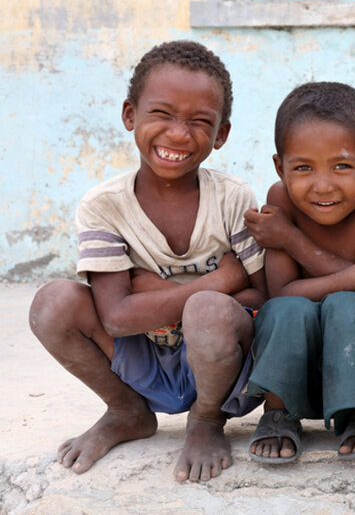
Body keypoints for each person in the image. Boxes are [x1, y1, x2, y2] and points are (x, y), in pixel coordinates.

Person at [27, 40, 267, 482]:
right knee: (52, 303)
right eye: (162, 113)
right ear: (129, 115)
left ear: (221, 135)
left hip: (225, 369)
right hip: (143, 358)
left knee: (210, 311)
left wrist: (155, 291)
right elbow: (116, 317)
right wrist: (219, 278)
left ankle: (206, 419)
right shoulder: (104, 206)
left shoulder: (232, 198)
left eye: (200, 121)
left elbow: (262, 296)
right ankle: (126, 410)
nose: (179, 134)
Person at [243, 82, 355, 463]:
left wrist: (291, 239)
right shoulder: (280, 198)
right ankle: (279, 413)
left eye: (342, 166)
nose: (323, 185)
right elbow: (282, 292)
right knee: (285, 311)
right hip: (298, 363)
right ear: (279, 167)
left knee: (348, 306)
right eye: (302, 168)